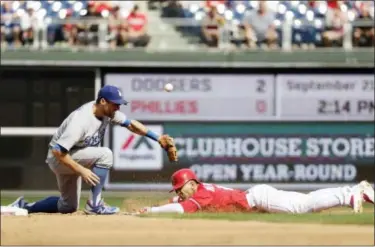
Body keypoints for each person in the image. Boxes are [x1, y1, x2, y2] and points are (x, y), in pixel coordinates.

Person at [9, 85, 177, 215]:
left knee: (68, 207)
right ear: (103, 101)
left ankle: (24, 206)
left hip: (72, 156)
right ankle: (95, 205)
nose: (118, 108)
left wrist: (157, 138)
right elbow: (57, 151)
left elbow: (131, 124)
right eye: (115, 105)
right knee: (105, 154)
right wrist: (81, 170)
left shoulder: (107, 112)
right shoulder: (81, 120)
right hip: (60, 157)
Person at [136, 168, 374, 214]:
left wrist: (152, 211)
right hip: (257, 199)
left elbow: (180, 208)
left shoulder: (200, 193)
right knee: (306, 203)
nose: (180, 192)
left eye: (181, 188)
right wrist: (159, 205)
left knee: (304, 206)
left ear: (192, 183)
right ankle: (351, 191)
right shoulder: (200, 189)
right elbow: (177, 201)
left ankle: (351, 194)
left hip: (259, 198)